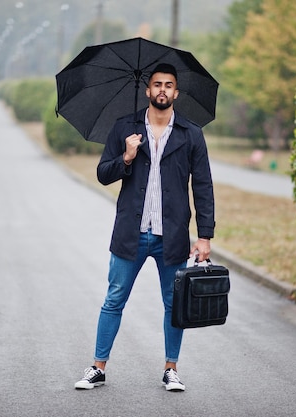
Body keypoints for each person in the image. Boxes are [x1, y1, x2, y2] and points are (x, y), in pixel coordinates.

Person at [74, 63, 215, 392]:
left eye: (168, 85)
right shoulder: (125, 127)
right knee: (114, 298)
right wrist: (127, 156)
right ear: (147, 90)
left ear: (176, 93)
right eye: (156, 84)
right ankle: (98, 367)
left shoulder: (191, 134)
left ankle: (171, 368)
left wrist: (205, 235)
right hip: (131, 232)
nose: (162, 90)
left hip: (172, 235)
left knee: (173, 304)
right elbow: (102, 173)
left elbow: (204, 186)